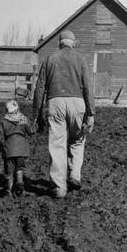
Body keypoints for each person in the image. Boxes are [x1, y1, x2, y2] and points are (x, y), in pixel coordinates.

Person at [33, 30, 95, 198]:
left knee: (58, 144)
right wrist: (91, 113)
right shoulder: (81, 59)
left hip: (55, 103)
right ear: (72, 43)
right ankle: (74, 174)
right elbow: (88, 88)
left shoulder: (50, 59)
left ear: (60, 43)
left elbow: (39, 88)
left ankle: (59, 188)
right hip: (77, 103)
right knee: (77, 140)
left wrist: (37, 114)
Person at [0, 100, 35, 197]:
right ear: (17, 108)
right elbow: (31, 131)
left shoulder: (4, 121)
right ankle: (20, 183)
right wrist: (35, 125)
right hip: (21, 149)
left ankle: (8, 191)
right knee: (19, 168)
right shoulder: (23, 119)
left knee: (9, 172)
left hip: (9, 149)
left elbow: (0, 137)